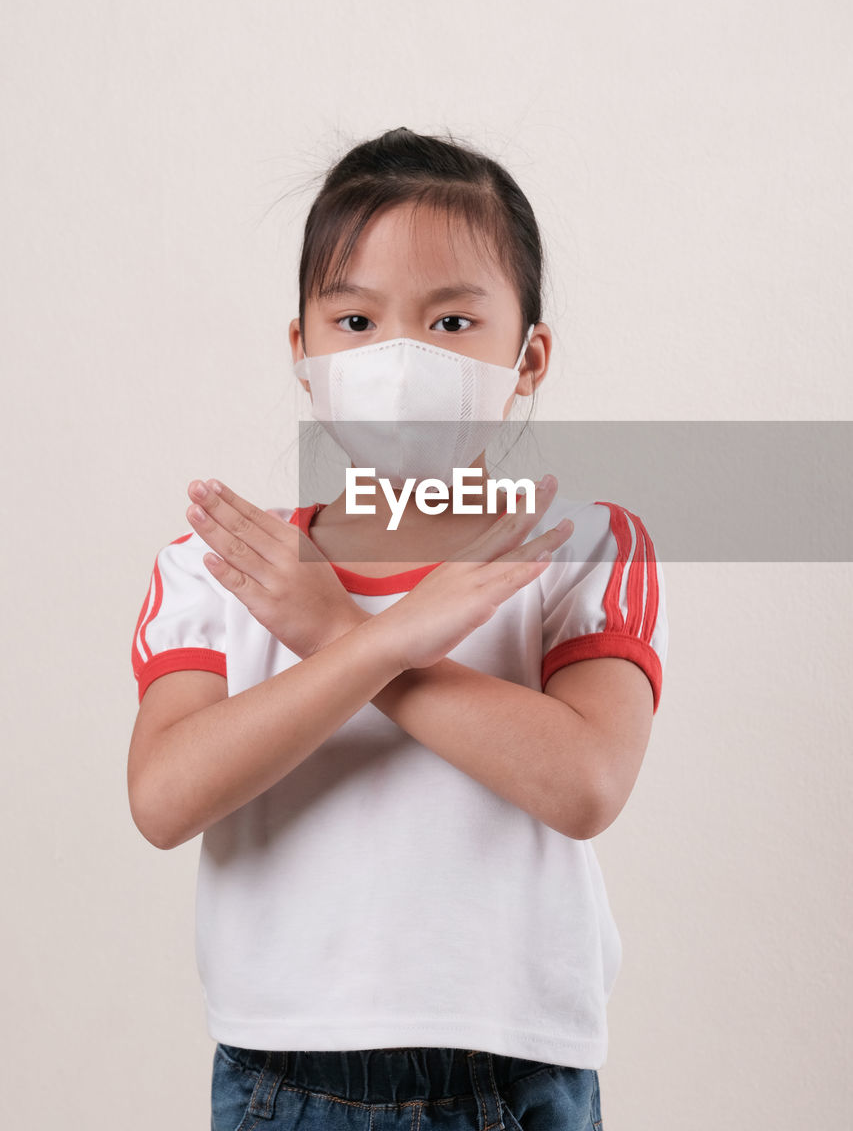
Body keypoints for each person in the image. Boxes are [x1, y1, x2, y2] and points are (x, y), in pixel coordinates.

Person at [128, 127, 667, 1131]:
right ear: (303, 350)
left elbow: (584, 781)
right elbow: (163, 797)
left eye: (452, 319)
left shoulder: (580, 545)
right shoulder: (222, 566)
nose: (399, 356)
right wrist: (376, 637)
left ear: (527, 354)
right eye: (355, 318)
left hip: (517, 1072)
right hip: (282, 1075)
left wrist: (339, 630)